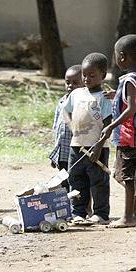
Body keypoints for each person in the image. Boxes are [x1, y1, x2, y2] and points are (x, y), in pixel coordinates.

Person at [63, 53, 113, 225]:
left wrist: (98, 146)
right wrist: (71, 127)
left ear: (103, 76)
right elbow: (66, 110)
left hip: (97, 148)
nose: (87, 78)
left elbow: (108, 125)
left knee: (98, 181)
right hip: (76, 146)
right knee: (76, 179)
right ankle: (78, 212)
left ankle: (101, 214)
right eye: (84, 75)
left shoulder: (104, 97)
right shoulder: (76, 94)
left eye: (92, 75)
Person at [95, 34, 136, 228]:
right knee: (126, 176)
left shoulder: (129, 80)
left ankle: (128, 217)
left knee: (125, 177)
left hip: (129, 138)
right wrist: (116, 95)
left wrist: (111, 125)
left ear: (122, 56)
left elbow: (131, 108)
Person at [49, 64, 83, 192]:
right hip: (62, 154)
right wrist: (55, 155)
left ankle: (86, 209)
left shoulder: (83, 103)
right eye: (67, 82)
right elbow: (57, 130)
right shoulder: (62, 102)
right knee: (64, 183)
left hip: (77, 153)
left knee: (79, 182)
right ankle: (69, 210)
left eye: (75, 83)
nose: (70, 86)